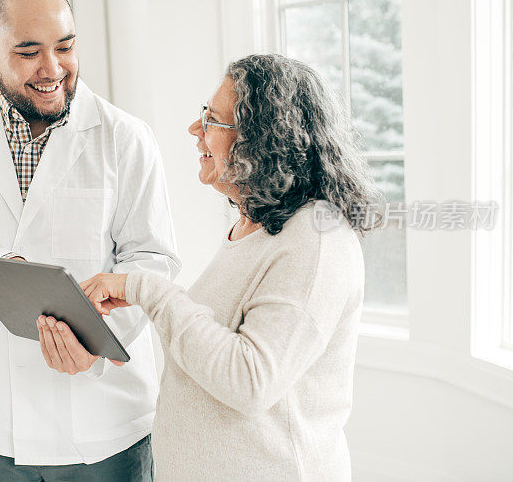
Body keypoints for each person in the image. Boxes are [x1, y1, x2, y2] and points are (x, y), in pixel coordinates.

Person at [0, 0, 179, 481]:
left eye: (66, 47)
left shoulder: (127, 139)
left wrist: (95, 345)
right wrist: (0, 275)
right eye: (28, 52)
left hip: (102, 423)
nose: (54, 69)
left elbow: (153, 261)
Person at [67, 54, 379, 480]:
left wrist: (147, 290)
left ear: (261, 140)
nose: (196, 130)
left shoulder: (316, 241)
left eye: (212, 120)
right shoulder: (256, 227)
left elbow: (248, 381)